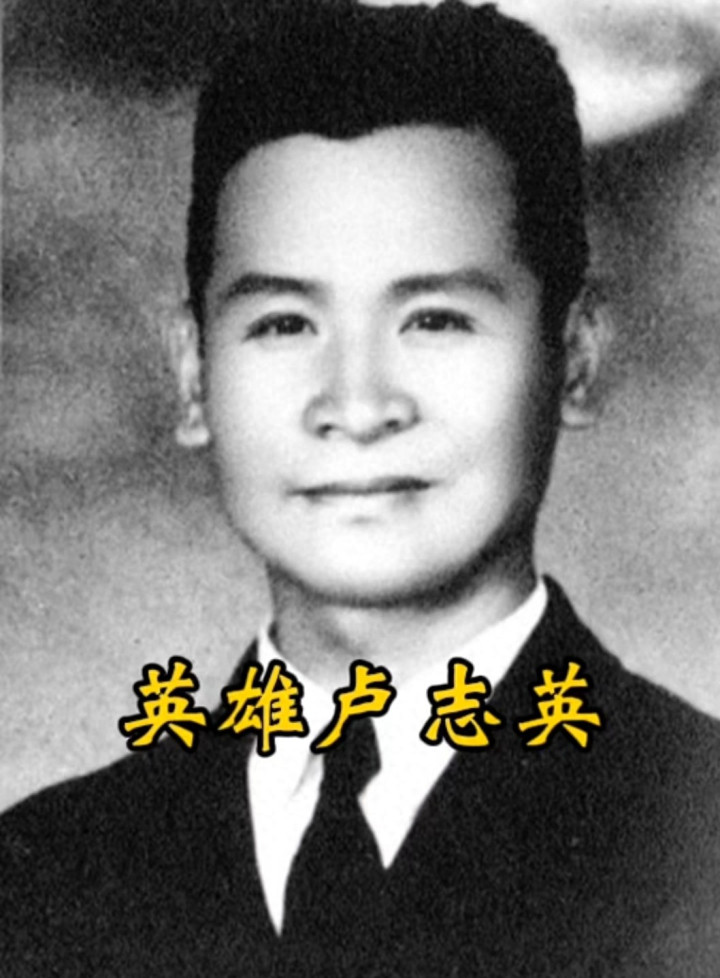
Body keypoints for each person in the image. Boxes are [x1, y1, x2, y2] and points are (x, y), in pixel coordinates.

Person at [2, 2, 719, 975]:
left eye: (436, 319)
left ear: (577, 356)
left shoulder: (696, 838)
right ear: (193, 374)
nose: (358, 404)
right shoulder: (42, 875)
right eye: (284, 325)